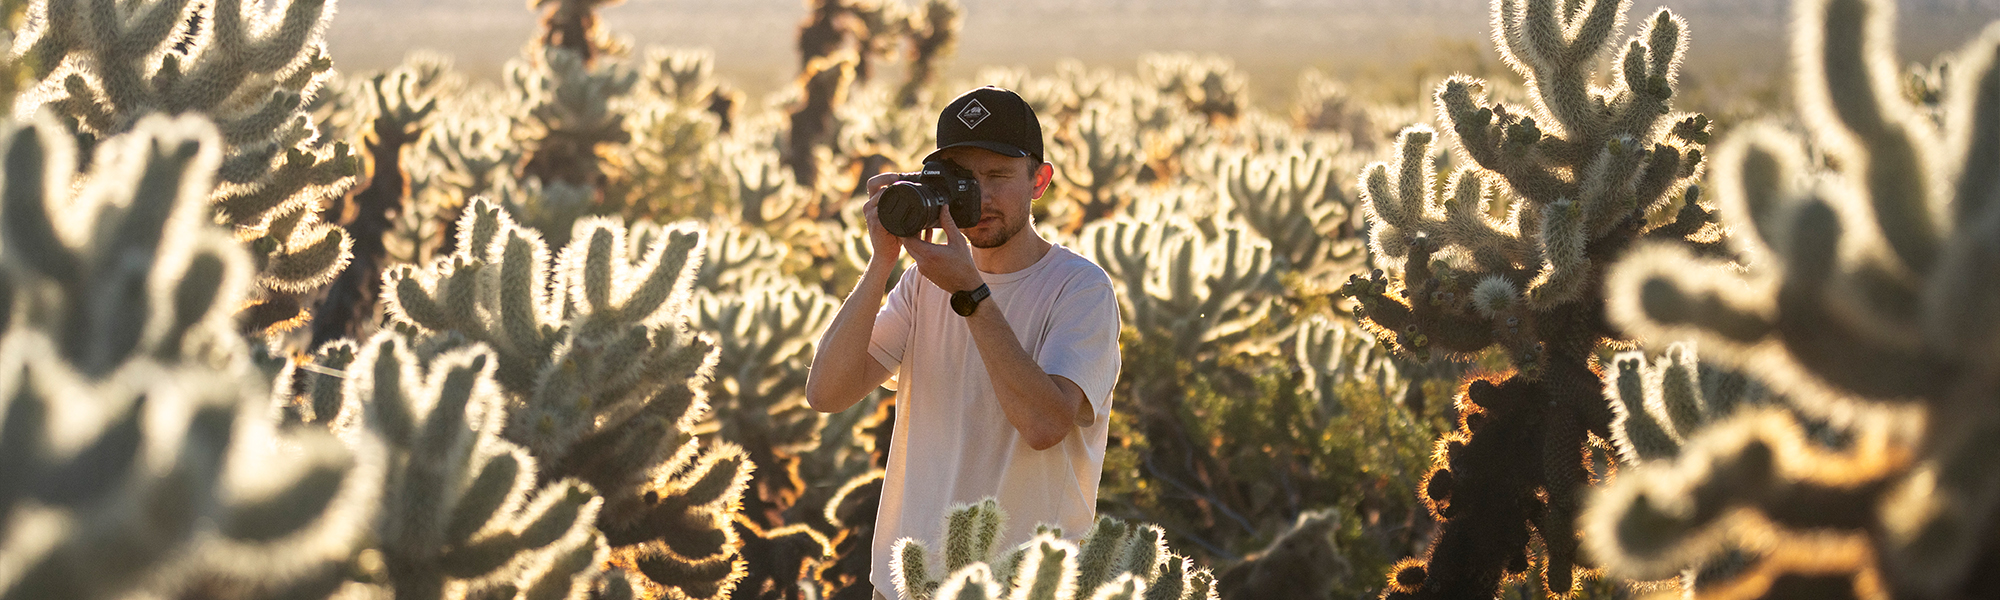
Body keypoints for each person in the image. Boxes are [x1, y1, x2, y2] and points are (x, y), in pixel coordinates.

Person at [804, 86, 1122, 600]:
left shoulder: (1079, 288)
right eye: (964, 180)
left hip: (1023, 586)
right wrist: (882, 260)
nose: (982, 197)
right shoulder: (921, 281)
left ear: (1039, 181)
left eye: (999, 176)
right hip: (909, 583)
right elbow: (826, 392)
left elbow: (1045, 425)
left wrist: (971, 293)